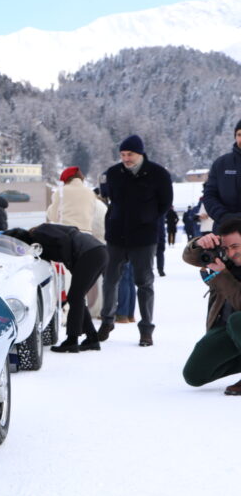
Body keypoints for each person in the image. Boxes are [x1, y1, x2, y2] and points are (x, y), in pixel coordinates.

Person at [97, 134, 174, 347]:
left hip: (143, 237)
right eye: (122, 154)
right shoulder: (113, 173)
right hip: (116, 235)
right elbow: (108, 198)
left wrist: (147, 219)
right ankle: (107, 321)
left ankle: (146, 328)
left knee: (144, 283)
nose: (126, 159)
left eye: (129, 154)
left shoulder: (158, 174)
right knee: (110, 280)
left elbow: (165, 203)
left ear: (140, 153)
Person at [6, 224, 108, 353]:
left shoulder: (40, 232)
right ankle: (92, 339)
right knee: (77, 297)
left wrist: (69, 262)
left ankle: (72, 341)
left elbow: (64, 239)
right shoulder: (40, 244)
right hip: (96, 252)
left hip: (91, 252)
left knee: (75, 297)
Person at [182, 219, 241, 394]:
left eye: (235, 246)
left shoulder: (223, 269)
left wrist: (222, 275)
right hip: (228, 331)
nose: (230, 253)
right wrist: (199, 243)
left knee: (237, 320)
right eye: (226, 248)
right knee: (194, 375)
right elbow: (189, 257)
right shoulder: (226, 259)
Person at [199, 119, 241, 233]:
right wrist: (224, 217)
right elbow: (209, 195)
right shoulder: (221, 163)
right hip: (224, 229)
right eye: (239, 135)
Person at [47, 166, 96, 233]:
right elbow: (93, 214)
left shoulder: (61, 192)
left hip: (67, 232)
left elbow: (53, 217)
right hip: (86, 233)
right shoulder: (90, 193)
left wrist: (50, 208)